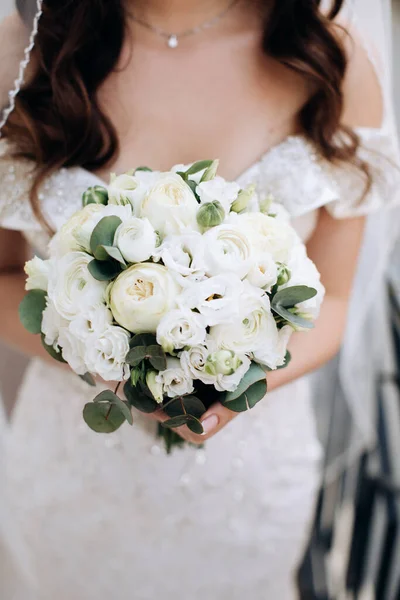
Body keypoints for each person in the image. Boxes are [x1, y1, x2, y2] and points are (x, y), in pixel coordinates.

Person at [0, 1, 398, 598]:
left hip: (247, 480)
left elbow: (335, 298)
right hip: (74, 480)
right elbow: (4, 277)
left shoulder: (325, 54)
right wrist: (109, 365)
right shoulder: (27, 49)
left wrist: (233, 391)